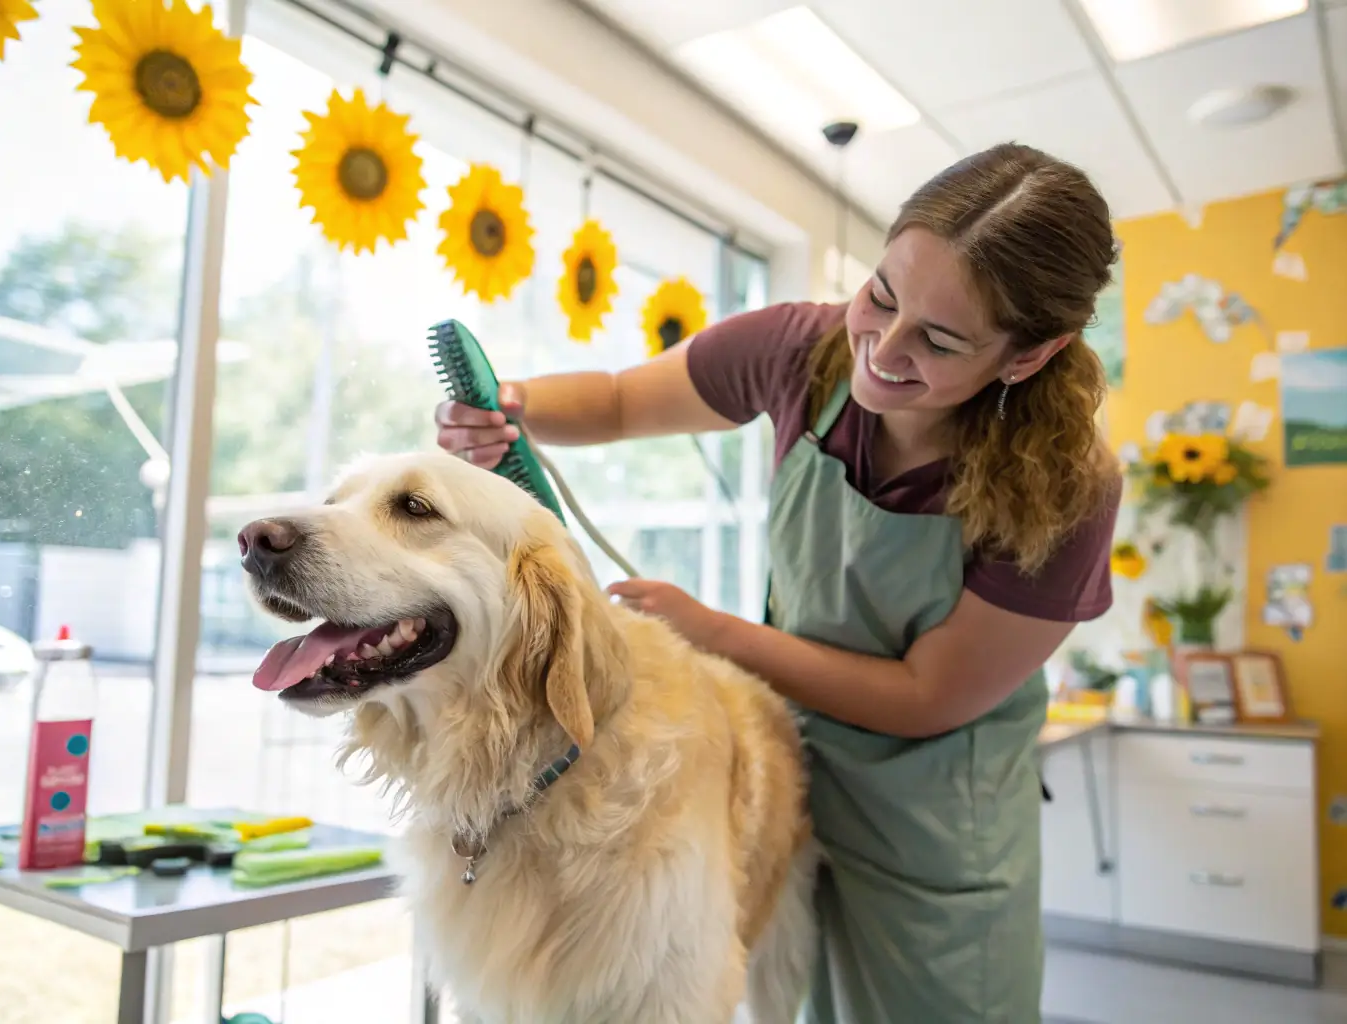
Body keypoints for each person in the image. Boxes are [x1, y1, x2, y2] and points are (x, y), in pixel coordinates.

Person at [434, 142, 1121, 1023]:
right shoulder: (803, 350)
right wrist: (512, 407)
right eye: (880, 293)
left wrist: (712, 633)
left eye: (939, 340)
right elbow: (615, 400)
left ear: (1028, 356)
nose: (882, 346)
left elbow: (926, 694)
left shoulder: (1068, 486)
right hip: (788, 771)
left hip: (935, 818)